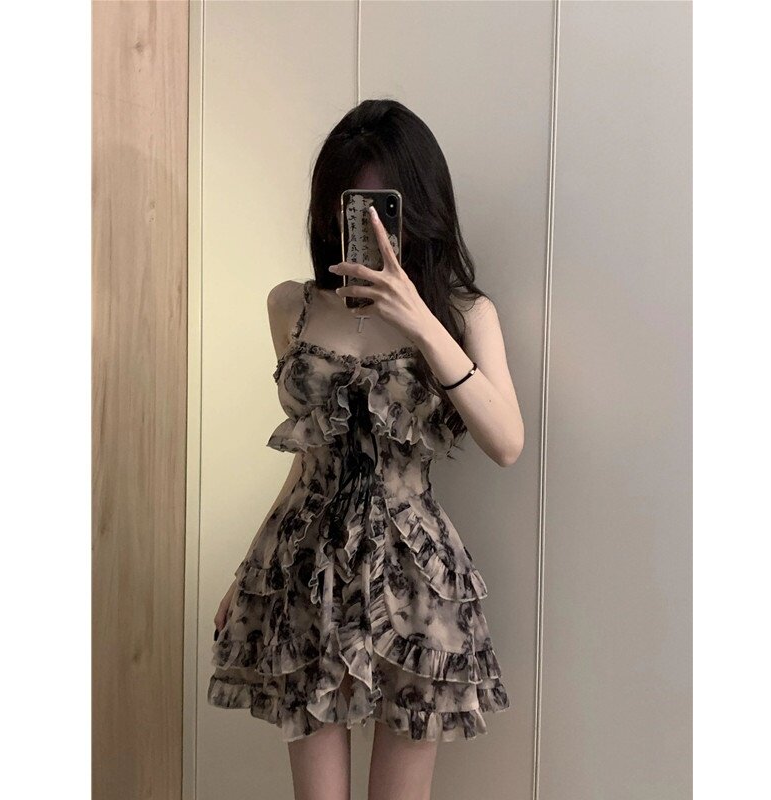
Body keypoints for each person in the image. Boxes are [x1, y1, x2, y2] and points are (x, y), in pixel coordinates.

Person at [208, 99, 524, 800]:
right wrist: (246, 571)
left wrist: (421, 321)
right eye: (351, 204)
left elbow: (506, 441)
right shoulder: (290, 307)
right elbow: (310, 456)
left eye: (387, 205)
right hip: (305, 570)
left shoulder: (465, 314)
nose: (369, 226)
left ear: (420, 207)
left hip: (418, 581)